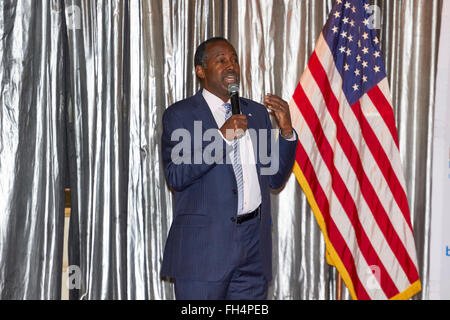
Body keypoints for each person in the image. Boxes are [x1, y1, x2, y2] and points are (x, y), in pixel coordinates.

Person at [160, 37, 297, 300]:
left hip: (253, 249)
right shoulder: (180, 114)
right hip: (203, 252)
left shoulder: (256, 114)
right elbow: (175, 175)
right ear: (200, 71)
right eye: (221, 60)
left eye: (234, 59)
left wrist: (287, 132)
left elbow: (276, 179)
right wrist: (221, 139)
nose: (231, 65)